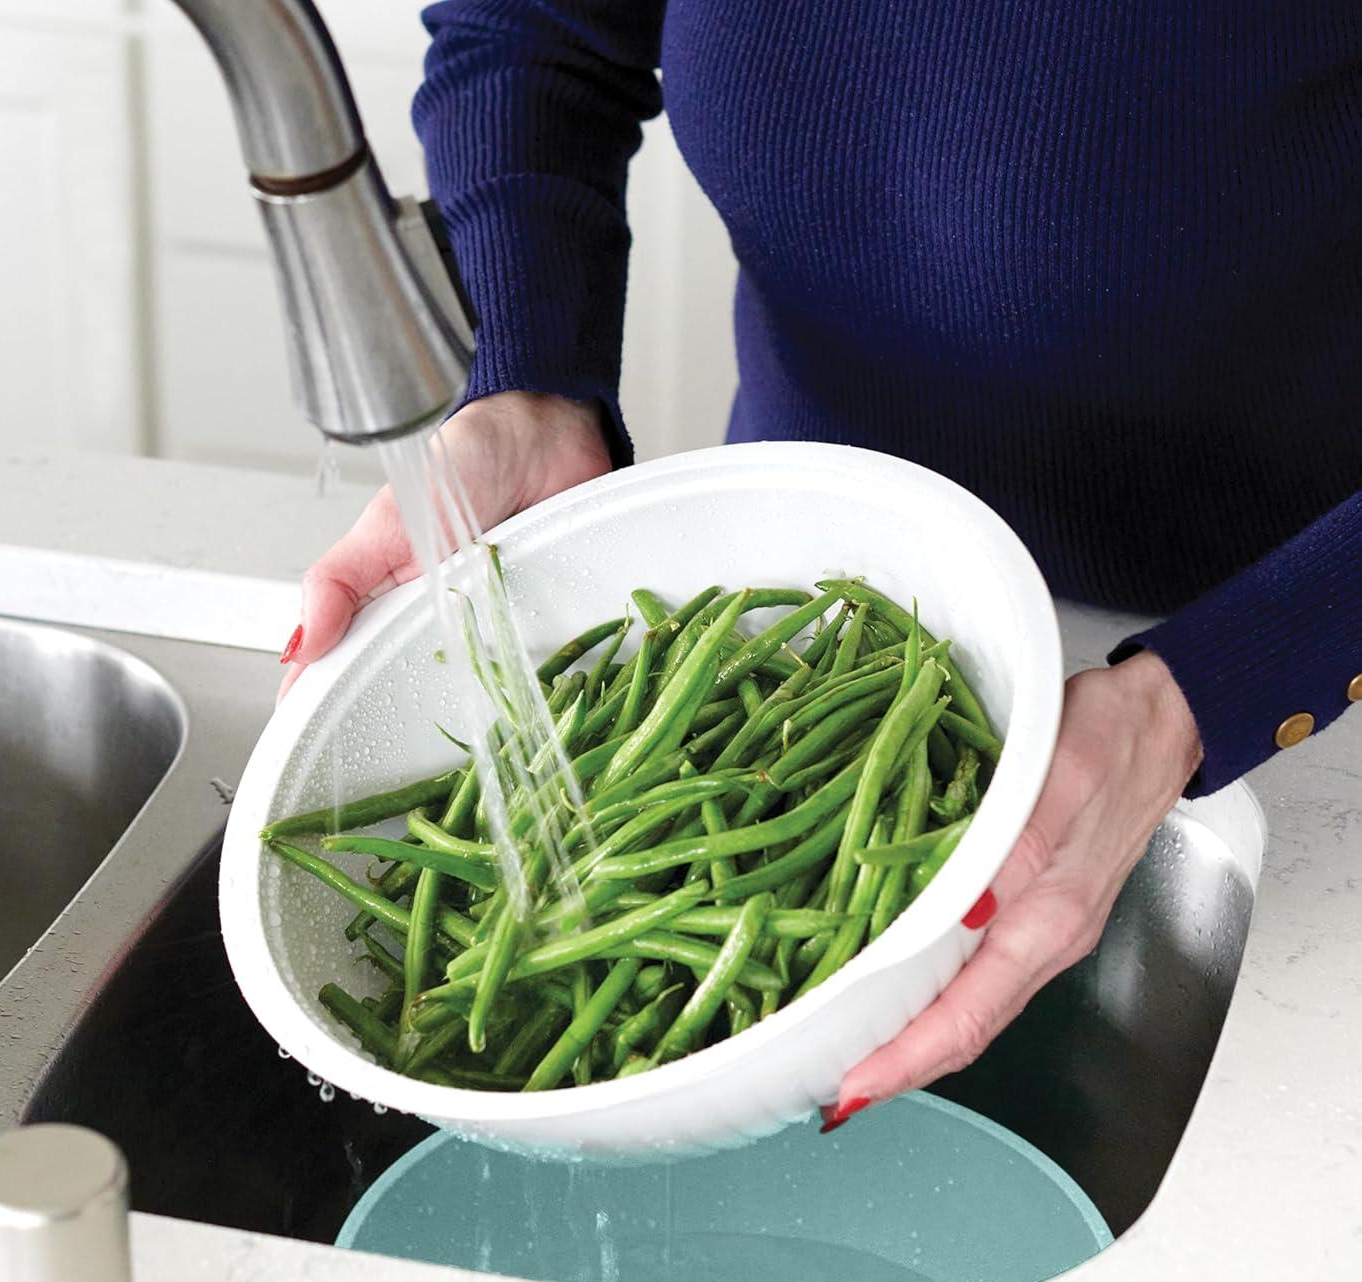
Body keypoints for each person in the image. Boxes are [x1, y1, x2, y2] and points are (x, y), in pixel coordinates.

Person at [279, 2, 1362, 1128]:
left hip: (1293, 654)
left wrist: (1211, 691)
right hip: (809, 626)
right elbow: (536, 29)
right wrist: (528, 371)